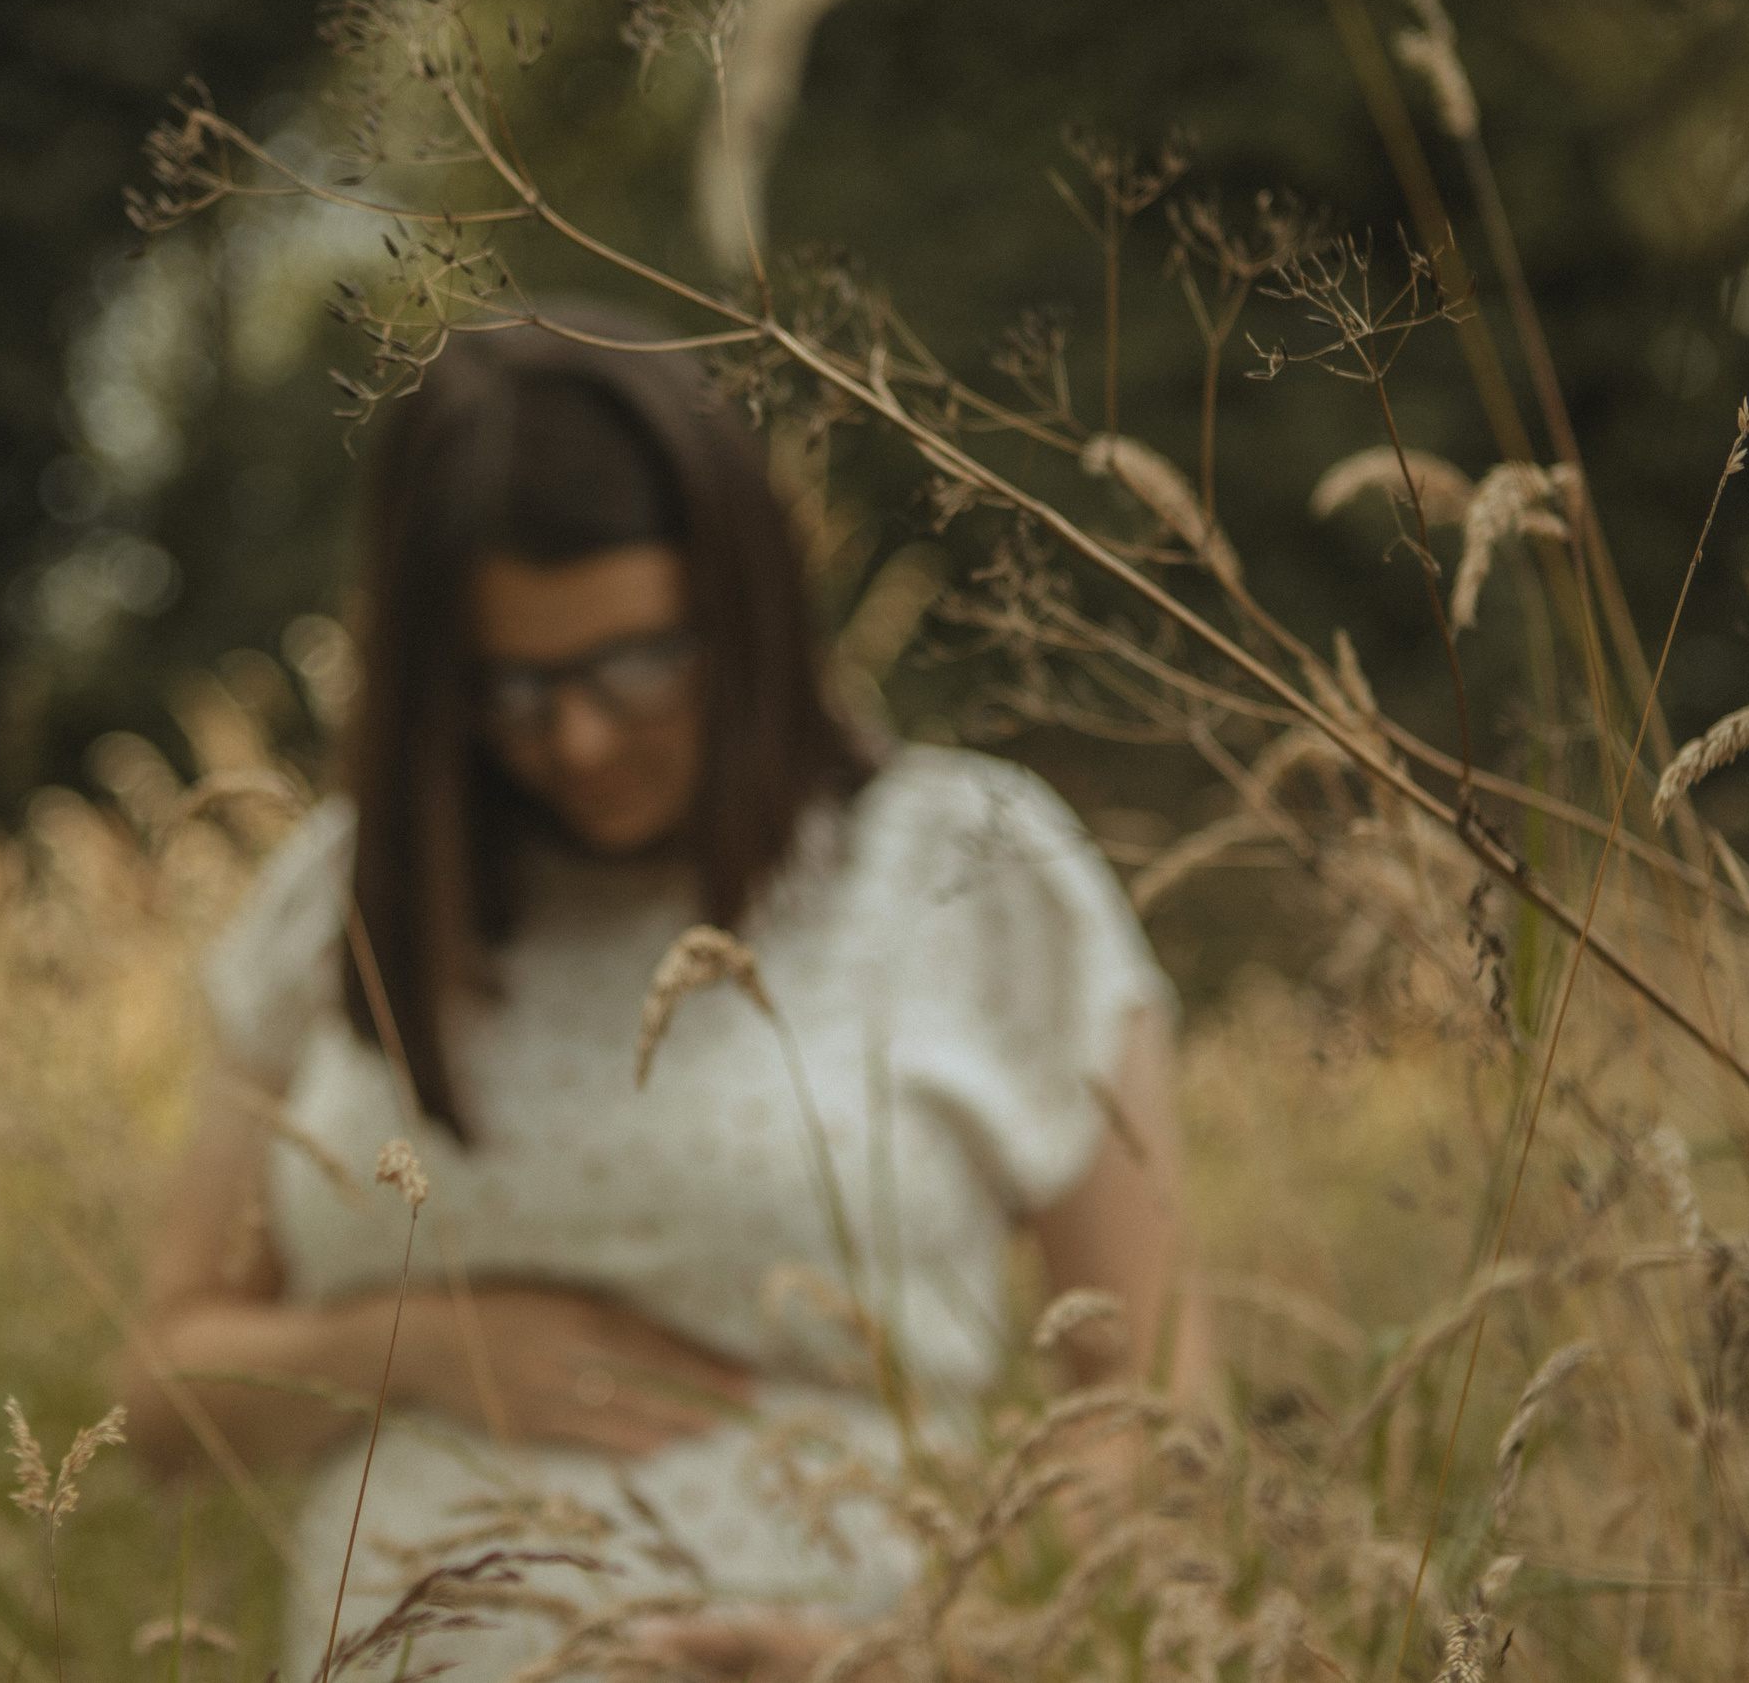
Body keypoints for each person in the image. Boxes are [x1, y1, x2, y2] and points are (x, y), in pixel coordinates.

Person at [124, 305, 1210, 1683]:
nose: (577, 737)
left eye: (636, 665)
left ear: (744, 612)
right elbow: (158, 1398)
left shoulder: (972, 866)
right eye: (509, 686)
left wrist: (925, 1654)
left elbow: (1156, 1410)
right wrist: (406, 1349)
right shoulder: (343, 896)